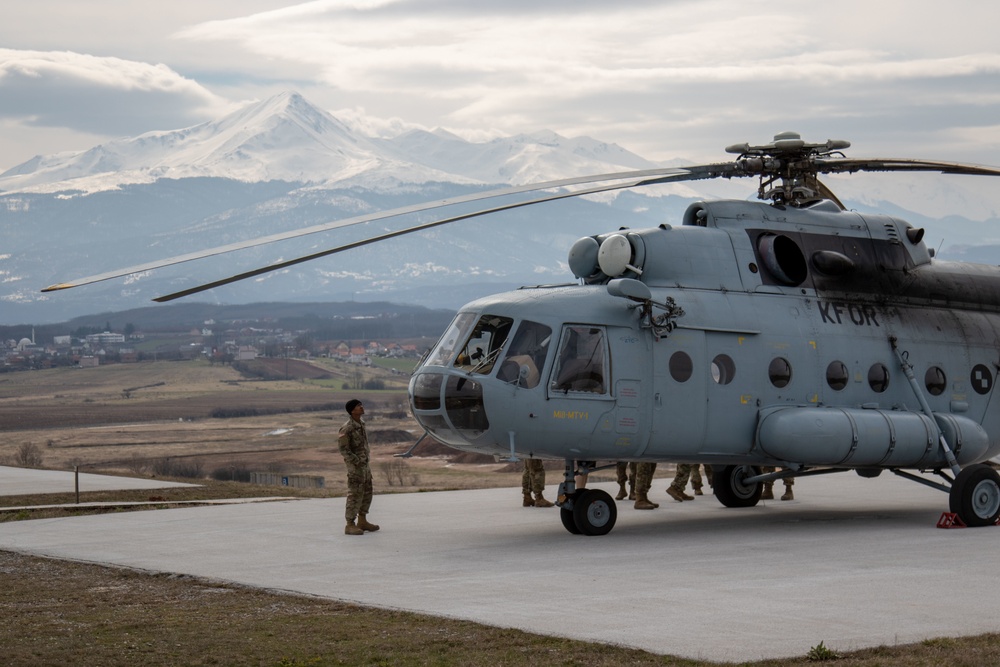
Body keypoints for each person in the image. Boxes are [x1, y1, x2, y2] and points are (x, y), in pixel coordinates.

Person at [338, 399, 379, 535]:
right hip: (356, 468)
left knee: (367, 493)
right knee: (354, 495)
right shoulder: (347, 428)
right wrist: (356, 461)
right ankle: (350, 524)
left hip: (365, 467)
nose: (361, 407)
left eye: (361, 405)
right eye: (358, 406)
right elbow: (344, 449)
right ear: (352, 410)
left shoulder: (361, 424)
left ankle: (362, 520)